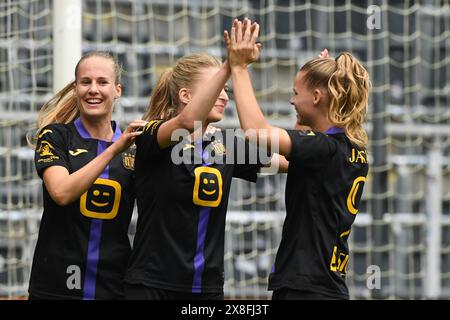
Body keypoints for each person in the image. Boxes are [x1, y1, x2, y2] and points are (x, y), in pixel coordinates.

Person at [225, 18, 370, 299]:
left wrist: (239, 67)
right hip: (328, 287)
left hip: (305, 289)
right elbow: (284, 161)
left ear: (317, 97)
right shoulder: (352, 148)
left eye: (295, 93)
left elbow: (257, 132)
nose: (292, 101)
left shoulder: (323, 148)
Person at [124, 53, 276, 300]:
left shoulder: (227, 144)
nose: (225, 96)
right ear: (186, 96)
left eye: (226, 88)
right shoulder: (152, 133)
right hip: (151, 286)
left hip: (206, 288)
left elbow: (287, 160)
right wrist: (231, 64)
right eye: (216, 87)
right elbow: (185, 121)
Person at [28, 51, 147, 299]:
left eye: (102, 82)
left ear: (118, 90)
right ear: (76, 88)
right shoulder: (55, 136)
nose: (93, 89)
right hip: (57, 285)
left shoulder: (136, 149)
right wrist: (115, 149)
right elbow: (61, 192)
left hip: (113, 285)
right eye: (85, 82)